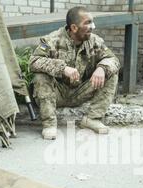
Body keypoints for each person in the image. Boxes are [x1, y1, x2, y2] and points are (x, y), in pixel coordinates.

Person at [29, 7, 120, 140]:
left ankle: (92, 119)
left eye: (92, 22)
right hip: (56, 93)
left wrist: (102, 68)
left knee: (111, 72)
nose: (92, 26)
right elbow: (33, 62)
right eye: (87, 23)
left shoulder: (94, 41)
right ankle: (49, 124)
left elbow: (114, 60)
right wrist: (62, 68)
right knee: (40, 75)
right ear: (74, 27)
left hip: (81, 91)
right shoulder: (52, 40)